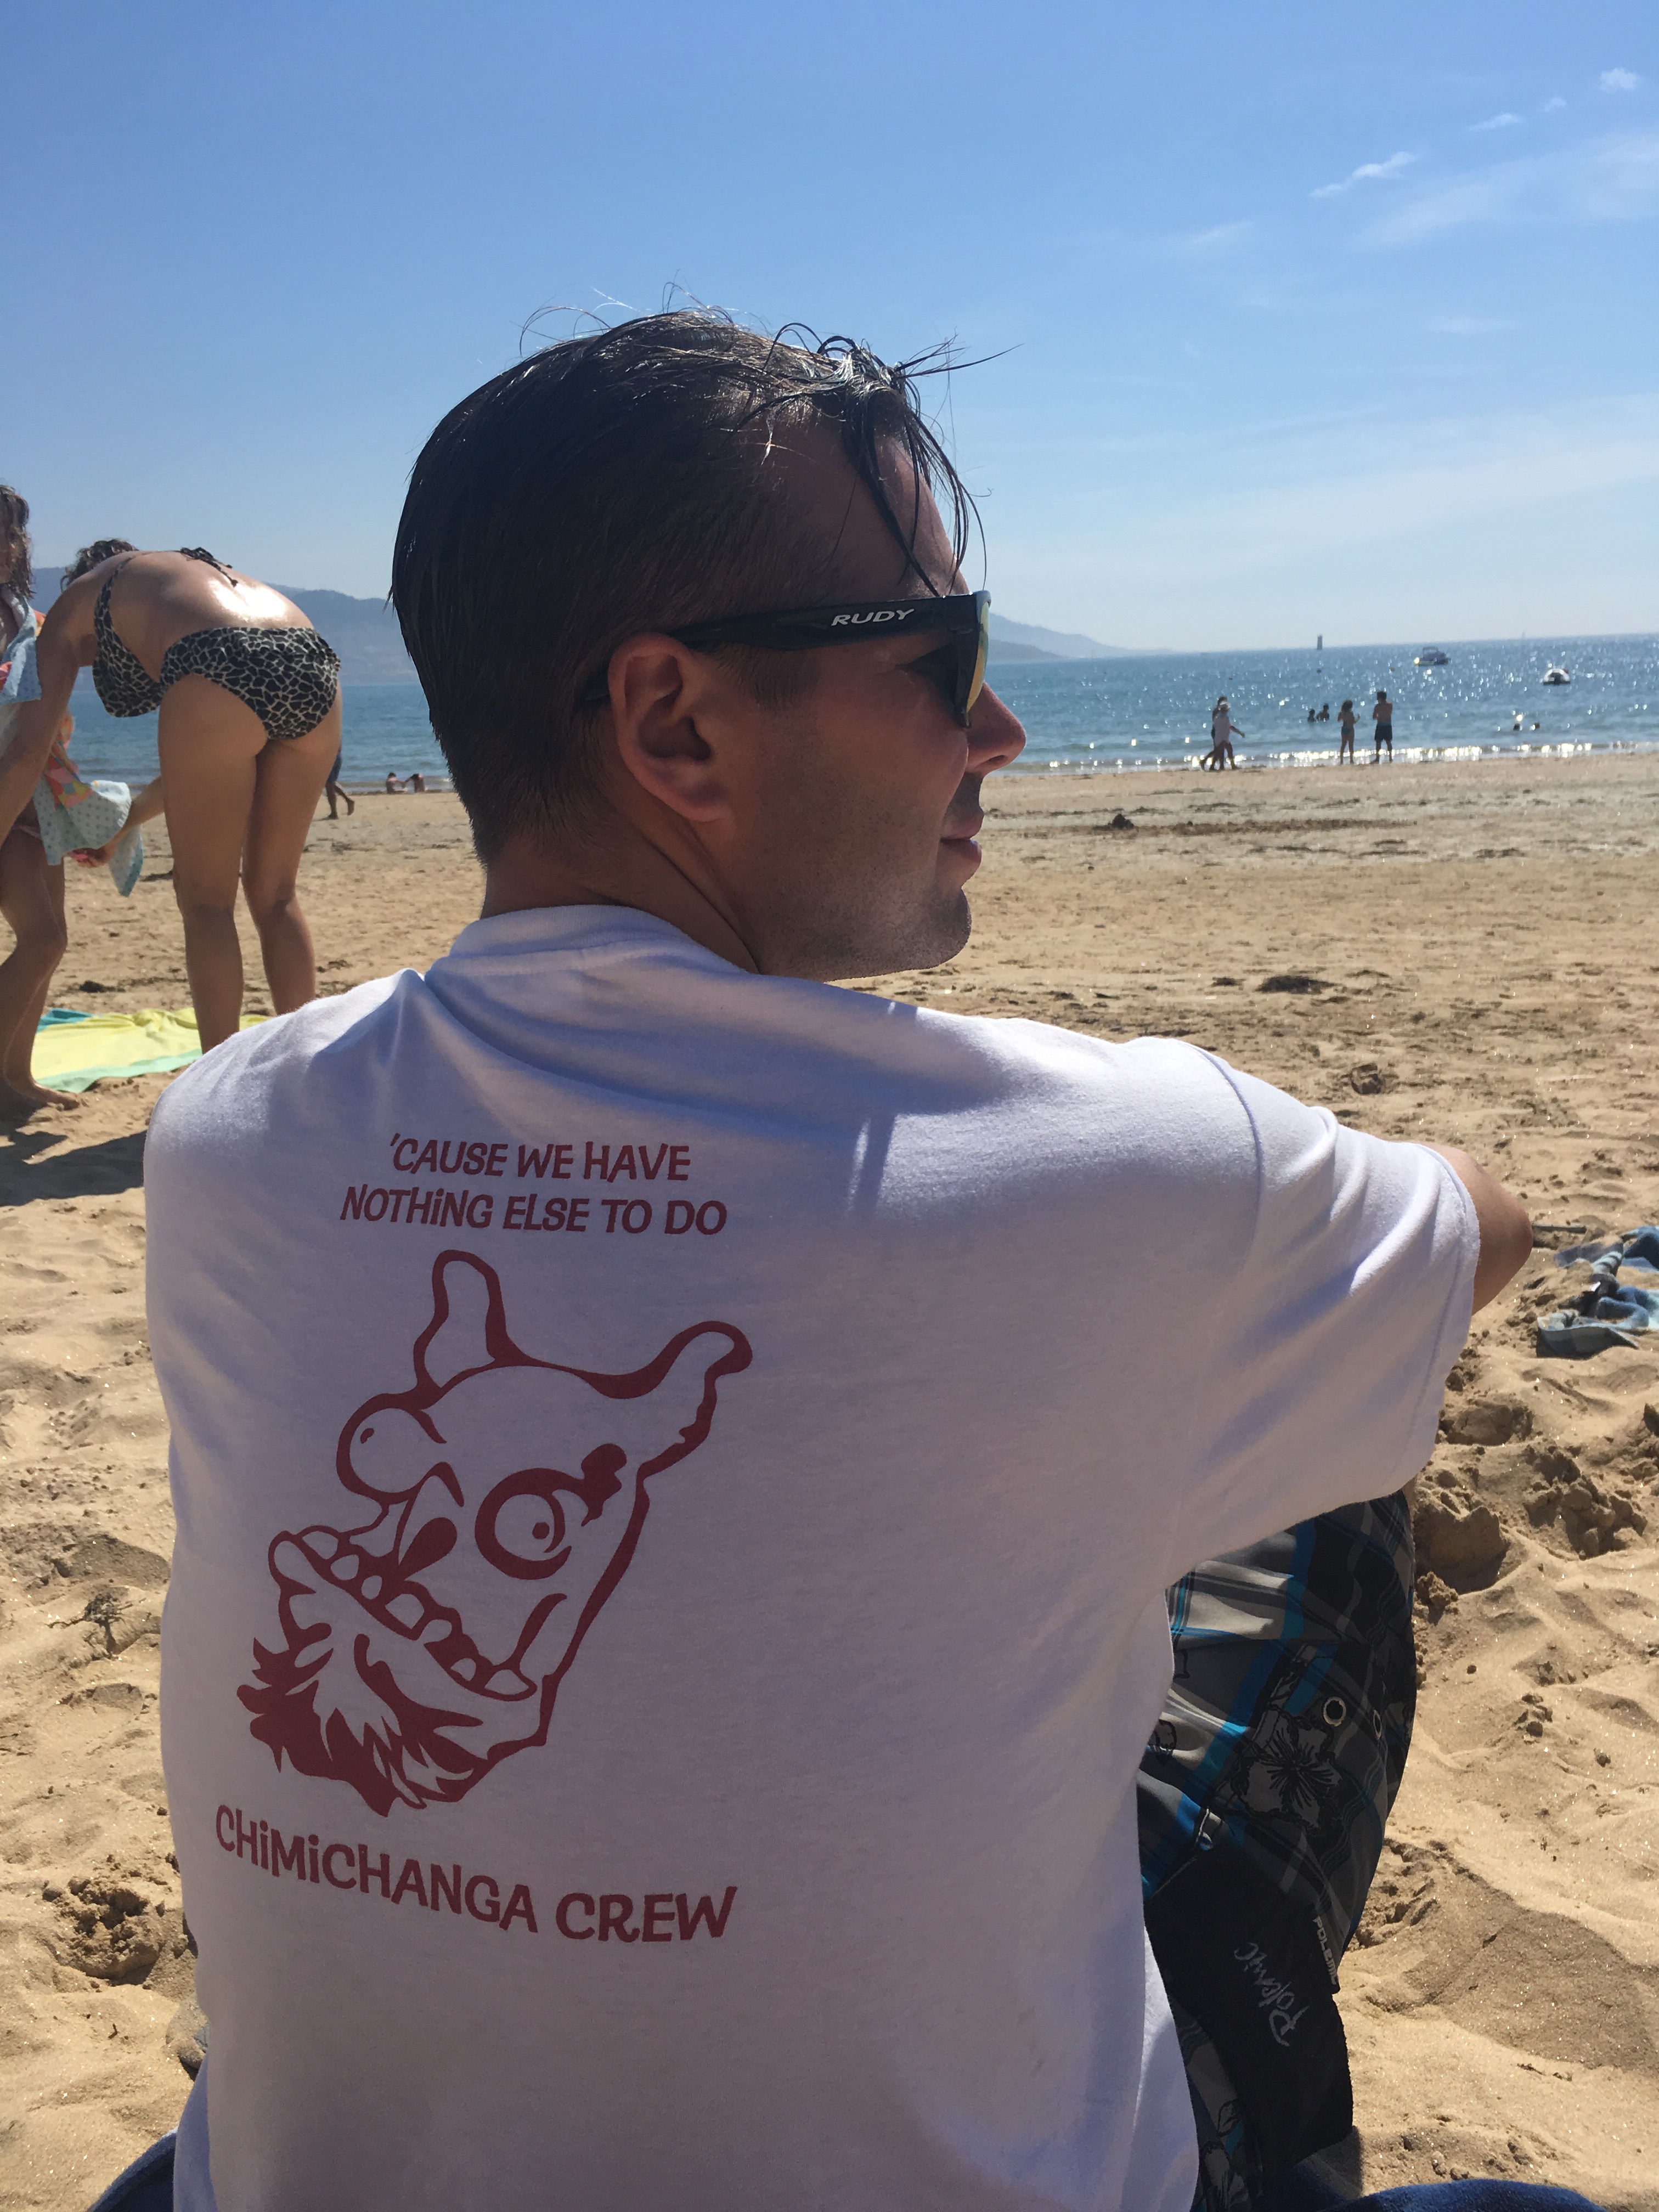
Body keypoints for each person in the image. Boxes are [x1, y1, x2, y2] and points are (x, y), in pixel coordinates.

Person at [142, 314, 1561, 2212]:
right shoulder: (1124, 1169)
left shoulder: (227, 1134)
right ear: (672, 722)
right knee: (1309, 1447)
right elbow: (1482, 1225)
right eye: (942, 658)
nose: (1003, 730)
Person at [8, 542, 342, 1050]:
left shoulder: (74, 606)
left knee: (206, 901)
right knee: (276, 895)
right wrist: (123, 823)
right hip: (312, 661)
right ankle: (307, 1064)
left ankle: (218, 1080)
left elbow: (28, 750)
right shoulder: (180, 583)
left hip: (220, 657)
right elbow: (195, 776)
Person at [1206, 694, 1240, 768]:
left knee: (1220, 750)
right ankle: (1217, 765)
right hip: (1218, 733)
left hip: (1220, 733)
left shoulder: (1219, 714)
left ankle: (1221, 765)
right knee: (1220, 750)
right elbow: (1227, 725)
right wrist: (1238, 732)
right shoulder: (1219, 713)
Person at [324, 750, 354, 819]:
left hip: (329, 757)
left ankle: (334, 813)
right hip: (337, 756)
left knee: (329, 785)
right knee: (331, 783)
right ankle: (348, 800)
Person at [1372, 687, 1393, 761]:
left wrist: (1379, 716)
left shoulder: (1378, 707)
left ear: (1380, 698)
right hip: (1388, 725)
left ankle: (1378, 758)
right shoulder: (1390, 705)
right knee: (1388, 742)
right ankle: (1390, 757)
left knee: (1378, 742)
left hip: (1381, 725)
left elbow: (1374, 717)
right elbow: (1390, 713)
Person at [1338, 698, 1356, 764]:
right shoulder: (1351, 713)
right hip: (1350, 729)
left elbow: (1339, 720)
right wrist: (1358, 719)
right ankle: (1351, 760)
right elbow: (1353, 722)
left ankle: (1341, 760)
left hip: (1344, 729)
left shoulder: (1342, 713)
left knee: (1343, 745)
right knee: (1351, 745)